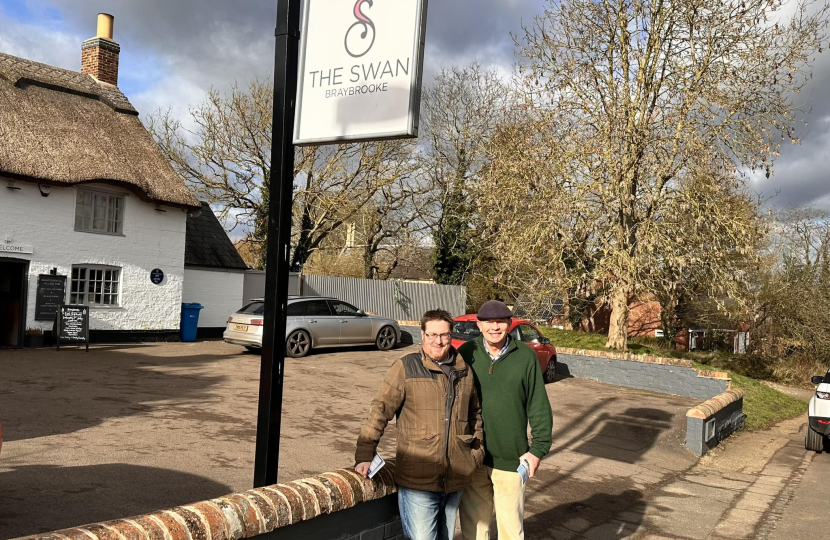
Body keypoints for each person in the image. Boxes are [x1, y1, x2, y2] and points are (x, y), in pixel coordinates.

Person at [355, 309, 485, 540]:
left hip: (456, 476)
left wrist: (476, 452)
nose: (438, 341)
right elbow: (380, 410)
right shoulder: (406, 367)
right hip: (419, 479)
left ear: (451, 335)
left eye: (444, 335)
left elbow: (475, 413)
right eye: (432, 335)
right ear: (422, 335)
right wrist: (365, 453)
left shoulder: (464, 371)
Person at [458, 300, 553, 540]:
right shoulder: (466, 353)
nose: (494, 327)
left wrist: (538, 449)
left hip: (511, 459)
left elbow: (538, 404)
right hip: (473, 455)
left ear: (509, 324)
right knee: (474, 529)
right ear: (479, 325)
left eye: (500, 322)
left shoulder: (525, 356)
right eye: (488, 322)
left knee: (511, 530)